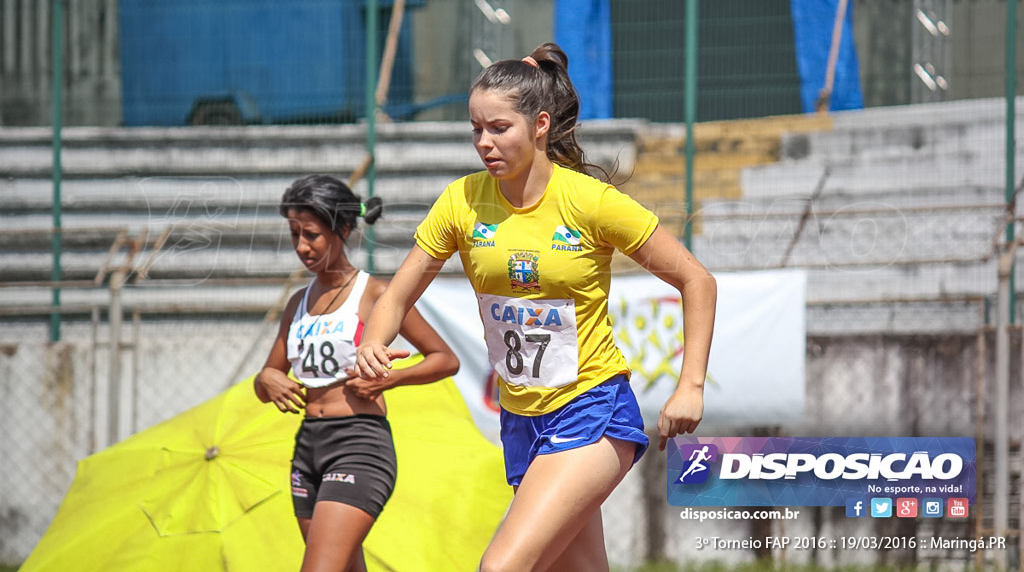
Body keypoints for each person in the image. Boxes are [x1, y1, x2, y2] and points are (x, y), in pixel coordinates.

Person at [355, 42, 717, 572]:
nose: (484, 142)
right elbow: (400, 292)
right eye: (475, 129)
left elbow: (696, 279)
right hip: (521, 418)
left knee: (501, 567)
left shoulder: (589, 201)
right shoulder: (461, 200)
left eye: (499, 128)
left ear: (541, 124)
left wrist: (691, 386)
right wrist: (373, 342)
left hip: (591, 409)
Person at [254, 174, 460, 572]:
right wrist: (266, 379)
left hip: (358, 445)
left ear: (343, 229)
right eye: (294, 234)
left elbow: (444, 359)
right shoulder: (298, 301)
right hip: (307, 448)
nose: (301, 246)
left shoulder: (375, 294)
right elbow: (267, 379)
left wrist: (392, 378)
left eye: (311, 234)